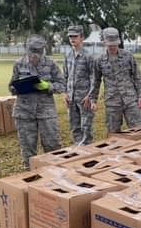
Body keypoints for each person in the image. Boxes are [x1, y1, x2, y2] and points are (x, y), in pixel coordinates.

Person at [9, 36, 65, 169]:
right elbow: (11, 86)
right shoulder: (19, 64)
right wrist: (18, 87)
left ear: (42, 51)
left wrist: (48, 86)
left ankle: (55, 176)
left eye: (38, 52)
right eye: (32, 51)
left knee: (53, 147)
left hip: (46, 112)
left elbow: (62, 85)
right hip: (24, 113)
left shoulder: (51, 64)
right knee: (28, 149)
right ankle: (31, 177)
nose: (34, 55)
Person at [91, 27, 141, 133]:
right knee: (113, 134)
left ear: (118, 42)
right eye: (110, 45)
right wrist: (93, 100)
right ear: (104, 43)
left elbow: (138, 76)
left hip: (131, 101)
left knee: (140, 130)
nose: (112, 47)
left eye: (114, 44)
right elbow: (96, 81)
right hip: (112, 103)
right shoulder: (99, 60)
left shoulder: (128, 56)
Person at [64, 25, 96, 145]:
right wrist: (65, 93)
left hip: (84, 99)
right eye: (70, 37)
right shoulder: (68, 56)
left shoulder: (89, 56)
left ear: (82, 38)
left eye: (75, 36)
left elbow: (94, 78)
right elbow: (65, 76)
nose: (72, 39)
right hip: (71, 99)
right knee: (75, 126)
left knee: (86, 127)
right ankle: (79, 149)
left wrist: (90, 96)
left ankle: (88, 152)